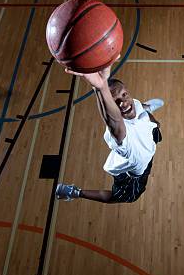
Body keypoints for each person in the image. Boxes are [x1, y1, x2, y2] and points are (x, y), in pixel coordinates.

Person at [55, 63, 163, 203]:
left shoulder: (132, 104)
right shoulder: (123, 136)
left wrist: (141, 108)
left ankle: (146, 108)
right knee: (123, 197)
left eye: (124, 95)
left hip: (146, 144)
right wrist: (100, 87)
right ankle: (75, 192)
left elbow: (129, 103)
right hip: (134, 173)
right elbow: (113, 120)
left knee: (155, 127)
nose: (123, 102)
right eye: (116, 102)